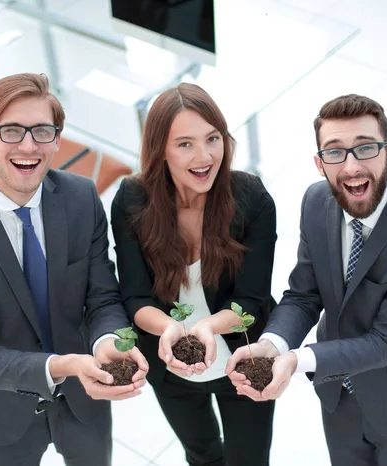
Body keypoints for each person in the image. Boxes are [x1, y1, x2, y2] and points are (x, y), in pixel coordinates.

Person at [0, 73, 148, 466]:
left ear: (57, 139)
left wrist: (107, 341)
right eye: (11, 131)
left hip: (84, 396)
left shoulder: (80, 197)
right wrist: (65, 365)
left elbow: (102, 296)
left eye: (42, 131)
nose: (28, 145)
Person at [226, 94, 387, 466]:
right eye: (335, 152)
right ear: (320, 163)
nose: (352, 166)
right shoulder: (316, 201)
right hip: (338, 392)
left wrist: (296, 360)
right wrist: (272, 345)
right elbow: (304, 295)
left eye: (365, 148)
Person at [111, 83, 276, 466]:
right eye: (185, 144)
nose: (204, 157)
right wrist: (172, 330)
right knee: (201, 456)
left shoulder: (251, 198)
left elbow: (251, 301)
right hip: (170, 364)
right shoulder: (132, 199)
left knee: (249, 460)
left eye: (212, 139)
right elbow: (134, 297)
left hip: (243, 357)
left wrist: (208, 328)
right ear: (160, 150)